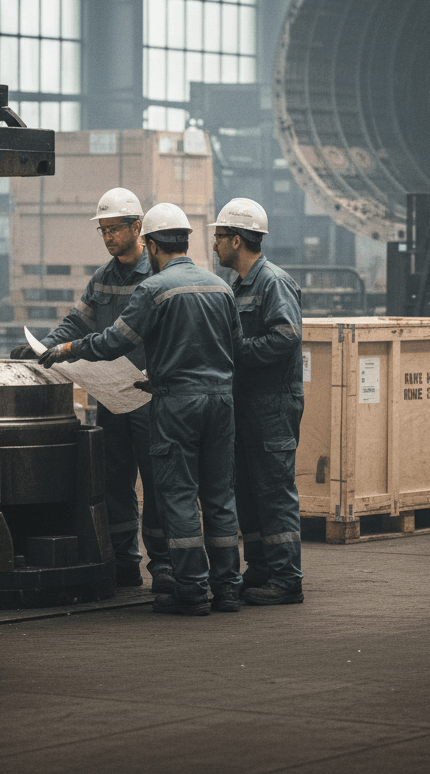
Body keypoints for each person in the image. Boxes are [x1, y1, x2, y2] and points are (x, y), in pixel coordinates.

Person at [39, 203, 243, 617]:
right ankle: (228, 590)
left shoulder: (154, 288)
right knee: (220, 497)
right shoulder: (221, 287)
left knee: (178, 496)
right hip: (221, 402)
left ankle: (189, 589)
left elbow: (114, 340)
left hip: (174, 403)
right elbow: (234, 347)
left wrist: (64, 350)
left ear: (149, 241)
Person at [11, 188, 174, 593]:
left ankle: (165, 565)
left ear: (138, 228)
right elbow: (75, 324)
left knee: (156, 484)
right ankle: (124, 562)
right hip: (113, 397)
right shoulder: (102, 278)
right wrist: (45, 349)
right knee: (114, 482)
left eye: (115, 229)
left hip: (150, 397)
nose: (108, 238)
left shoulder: (156, 276)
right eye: (103, 230)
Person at [212, 198, 305, 606]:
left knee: (274, 491)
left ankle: (287, 580)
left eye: (218, 237)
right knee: (247, 490)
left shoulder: (272, 282)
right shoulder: (238, 286)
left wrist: (241, 352)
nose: (214, 245)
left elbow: (287, 336)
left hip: (272, 405)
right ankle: (262, 569)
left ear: (236, 239)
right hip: (247, 403)